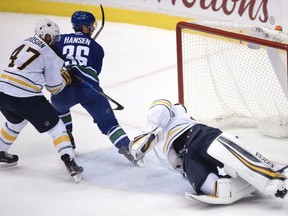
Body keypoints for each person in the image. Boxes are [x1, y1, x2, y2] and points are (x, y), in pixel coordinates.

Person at [129, 99, 288, 204]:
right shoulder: (159, 146)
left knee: (228, 154)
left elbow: (162, 104)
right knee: (215, 189)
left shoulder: (175, 112)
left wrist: (152, 128)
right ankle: (250, 181)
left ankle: (273, 177)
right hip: (187, 160)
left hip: (196, 136)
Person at [0, 18, 83, 181]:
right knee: (57, 127)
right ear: (46, 36)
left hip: (2, 91)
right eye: (55, 37)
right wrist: (67, 77)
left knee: (16, 121)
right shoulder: (51, 54)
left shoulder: (23, 42)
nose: (56, 41)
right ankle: (70, 162)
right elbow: (54, 88)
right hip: (26, 97)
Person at [51, 11, 137, 165]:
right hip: (89, 91)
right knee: (109, 124)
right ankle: (128, 149)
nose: (93, 29)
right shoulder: (97, 47)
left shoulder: (60, 40)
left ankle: (67, 137)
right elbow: (95, 72)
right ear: (83, 27)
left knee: (59, 109)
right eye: (91, 26)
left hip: (64, 90)